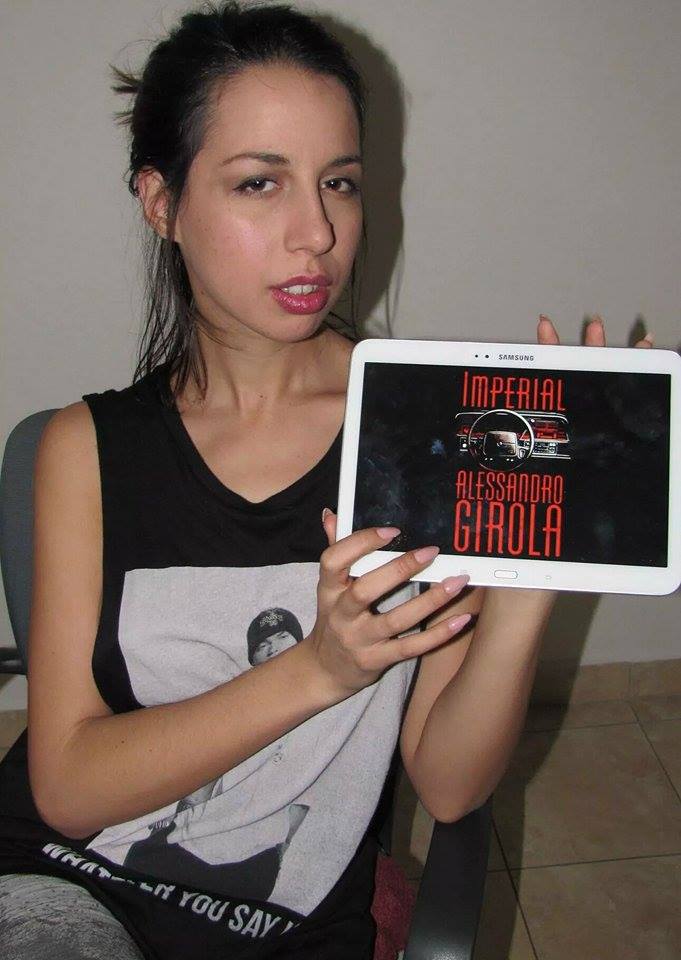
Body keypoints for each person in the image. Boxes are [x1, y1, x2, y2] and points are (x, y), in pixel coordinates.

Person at [0, 3, 651, 959]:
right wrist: (318, 669)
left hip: (286, 920)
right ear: (161, 201)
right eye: (259, 183)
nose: (316, 232)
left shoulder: (425, 429)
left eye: (338, 182)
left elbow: (449, 785)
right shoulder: (82, 447)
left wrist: (528, 572)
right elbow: (65, 787)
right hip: (66, 886)